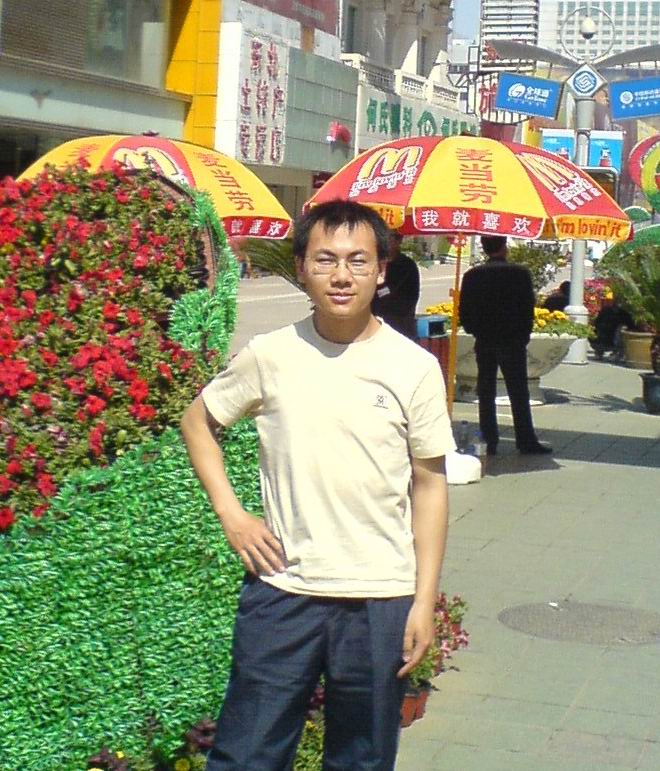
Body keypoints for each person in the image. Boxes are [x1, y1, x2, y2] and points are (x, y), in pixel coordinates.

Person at [180, 200, 454, 771]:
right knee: (247, 755)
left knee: (362, 760)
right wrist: (233, 515)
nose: (341, 275)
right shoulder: (271, 355)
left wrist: (423, 601)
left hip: (379, 598)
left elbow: (430, 487)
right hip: (283, 590)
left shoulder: (414, 367)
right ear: (302, 267)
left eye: (358, 260)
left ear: (381, 270)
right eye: (325, 259)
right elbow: (197, 422)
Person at [459, 235, 552, 456]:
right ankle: (526, 439)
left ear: (484, 248)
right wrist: (524, 333)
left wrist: (475, 329)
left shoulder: (473, 276)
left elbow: (465, 310)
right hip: (512, 340)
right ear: (504, 247)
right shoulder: (519, 274)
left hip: (485, 339)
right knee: (518, 390)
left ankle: (489, 439)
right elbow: (527, 307)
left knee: (486, 390)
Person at [371, 230, 420, 340]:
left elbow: (394, 292)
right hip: (374, 325)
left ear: (399, 241)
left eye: (390, 237)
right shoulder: (374, 262)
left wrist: (379, 291)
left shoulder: (406, 265)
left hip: (400, 325)